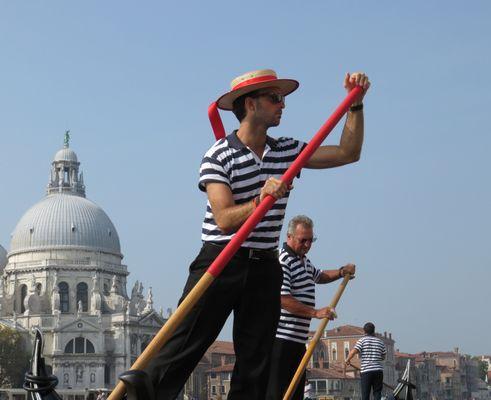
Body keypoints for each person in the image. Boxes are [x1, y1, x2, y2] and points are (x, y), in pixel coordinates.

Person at [143, 68, 370, 399]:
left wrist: (356, 105)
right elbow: (223, 218)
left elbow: (348, 153)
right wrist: (259, 200)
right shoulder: (218, 155)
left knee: (255, 358)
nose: (283, 105)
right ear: (251, 105)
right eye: (274, 98)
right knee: (184, 343)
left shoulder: (287, 151)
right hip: (221, 259)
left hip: (264, 266)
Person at [265, 215, 356, 400]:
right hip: (281, 341)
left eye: (310, 240)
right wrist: (315, 313)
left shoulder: (303, 261)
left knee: (296, 393)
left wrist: (340, 272)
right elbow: (282, 298)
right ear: (289, 237)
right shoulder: (283, 261)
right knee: (278, 393)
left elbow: (320, 276)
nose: (307, 245)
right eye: (303, 240)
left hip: (297, 342)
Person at [345, 322, 387, 400]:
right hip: (378, 371)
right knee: (377, 393)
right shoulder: (380, 342)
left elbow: (354, 351)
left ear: (364, 331)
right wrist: (375, 357)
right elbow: (383, 357)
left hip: (366, 371)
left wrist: (347, 359)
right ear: (373, 331)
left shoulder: (362, 341)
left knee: (365, 394)